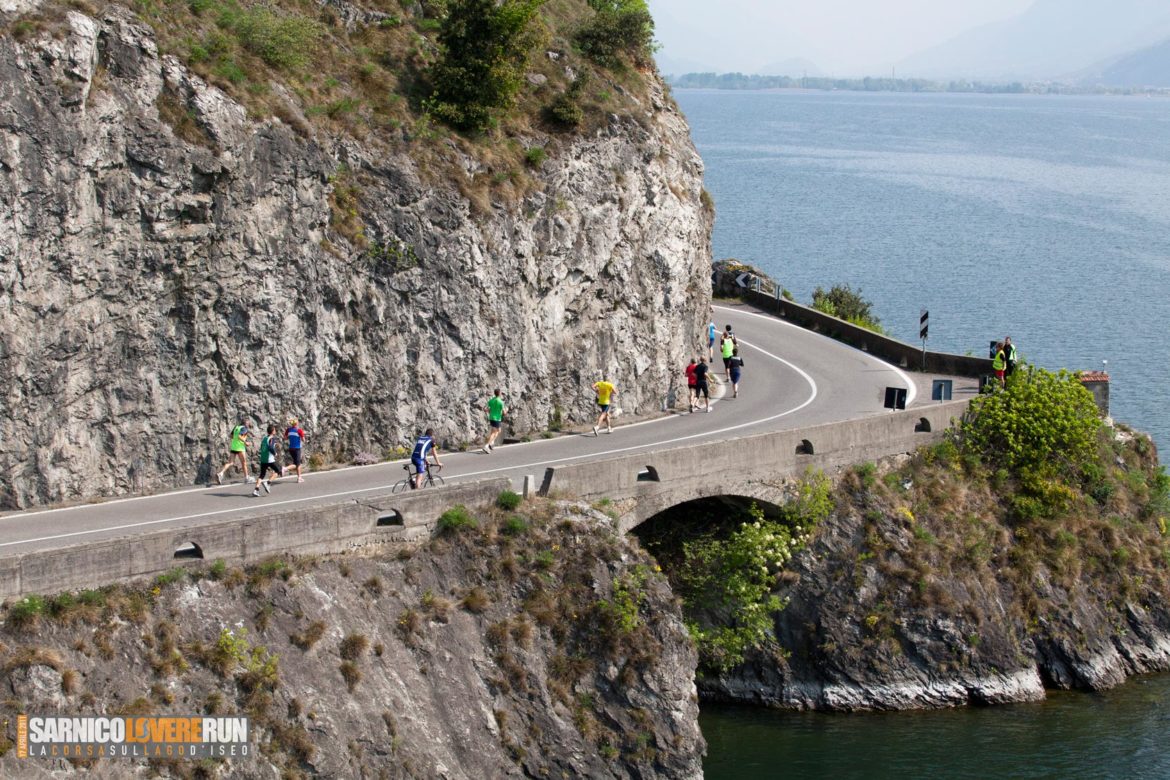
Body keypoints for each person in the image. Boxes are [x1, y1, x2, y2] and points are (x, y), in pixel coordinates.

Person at [216, 418, 251, 485]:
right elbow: (239, 436)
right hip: (240, 448)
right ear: (245, 423)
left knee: (230, 462)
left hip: (234, 447)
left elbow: (231, 435)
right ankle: (247, 478)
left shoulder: (236, 427)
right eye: (248, 423)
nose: (248, 424)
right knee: (243, 463)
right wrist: (245, 442)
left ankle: (220, 473)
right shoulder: (244, 428)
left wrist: (236, 440)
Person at [252, 424, 281, 497]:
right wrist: (275, 453)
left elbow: (261, 447)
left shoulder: (265, 438)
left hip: (263, 459)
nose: (275, 431)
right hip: (269, 459)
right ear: (272, 431)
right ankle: (268, 483)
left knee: (262, 475)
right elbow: (271, 447)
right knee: (278, 471)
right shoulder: (272, 439)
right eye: (274, 430)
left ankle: (256, 490)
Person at [281, 417, 306, 483]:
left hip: (291, 448)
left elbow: (285, 438)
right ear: (296, 423)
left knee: (298, 463)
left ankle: (299, 477)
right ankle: (285, 468)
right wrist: (301, 438)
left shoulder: (288, 430)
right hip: (297, 448)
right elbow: (303, 440)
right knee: (297, 464)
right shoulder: (299, 430)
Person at [483, 389, 507, 453]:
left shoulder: (491, 400)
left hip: (491, 418)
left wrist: (490, 411)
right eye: (501, 393)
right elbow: (504, 413)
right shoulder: (500, 402)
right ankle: (486, 446)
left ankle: (491, 443)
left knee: (498, 431)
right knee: (494, 433)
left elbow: (485, 409)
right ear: (499, 394)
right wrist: (506, 410)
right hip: (497, 419)